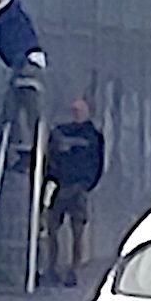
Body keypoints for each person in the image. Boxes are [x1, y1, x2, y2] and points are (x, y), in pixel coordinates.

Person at [43, 97, 105, 288]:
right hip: (59, 187)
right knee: (51, 228)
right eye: (74, 110)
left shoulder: (93, 136)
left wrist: (86, 185)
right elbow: (49, 157)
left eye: (80, 110)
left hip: (78, 189)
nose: (76, 113)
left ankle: (73, 271)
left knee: (77, 231)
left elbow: (97, 163)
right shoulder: (60, 132)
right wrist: (50, 180)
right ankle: (51, 268)